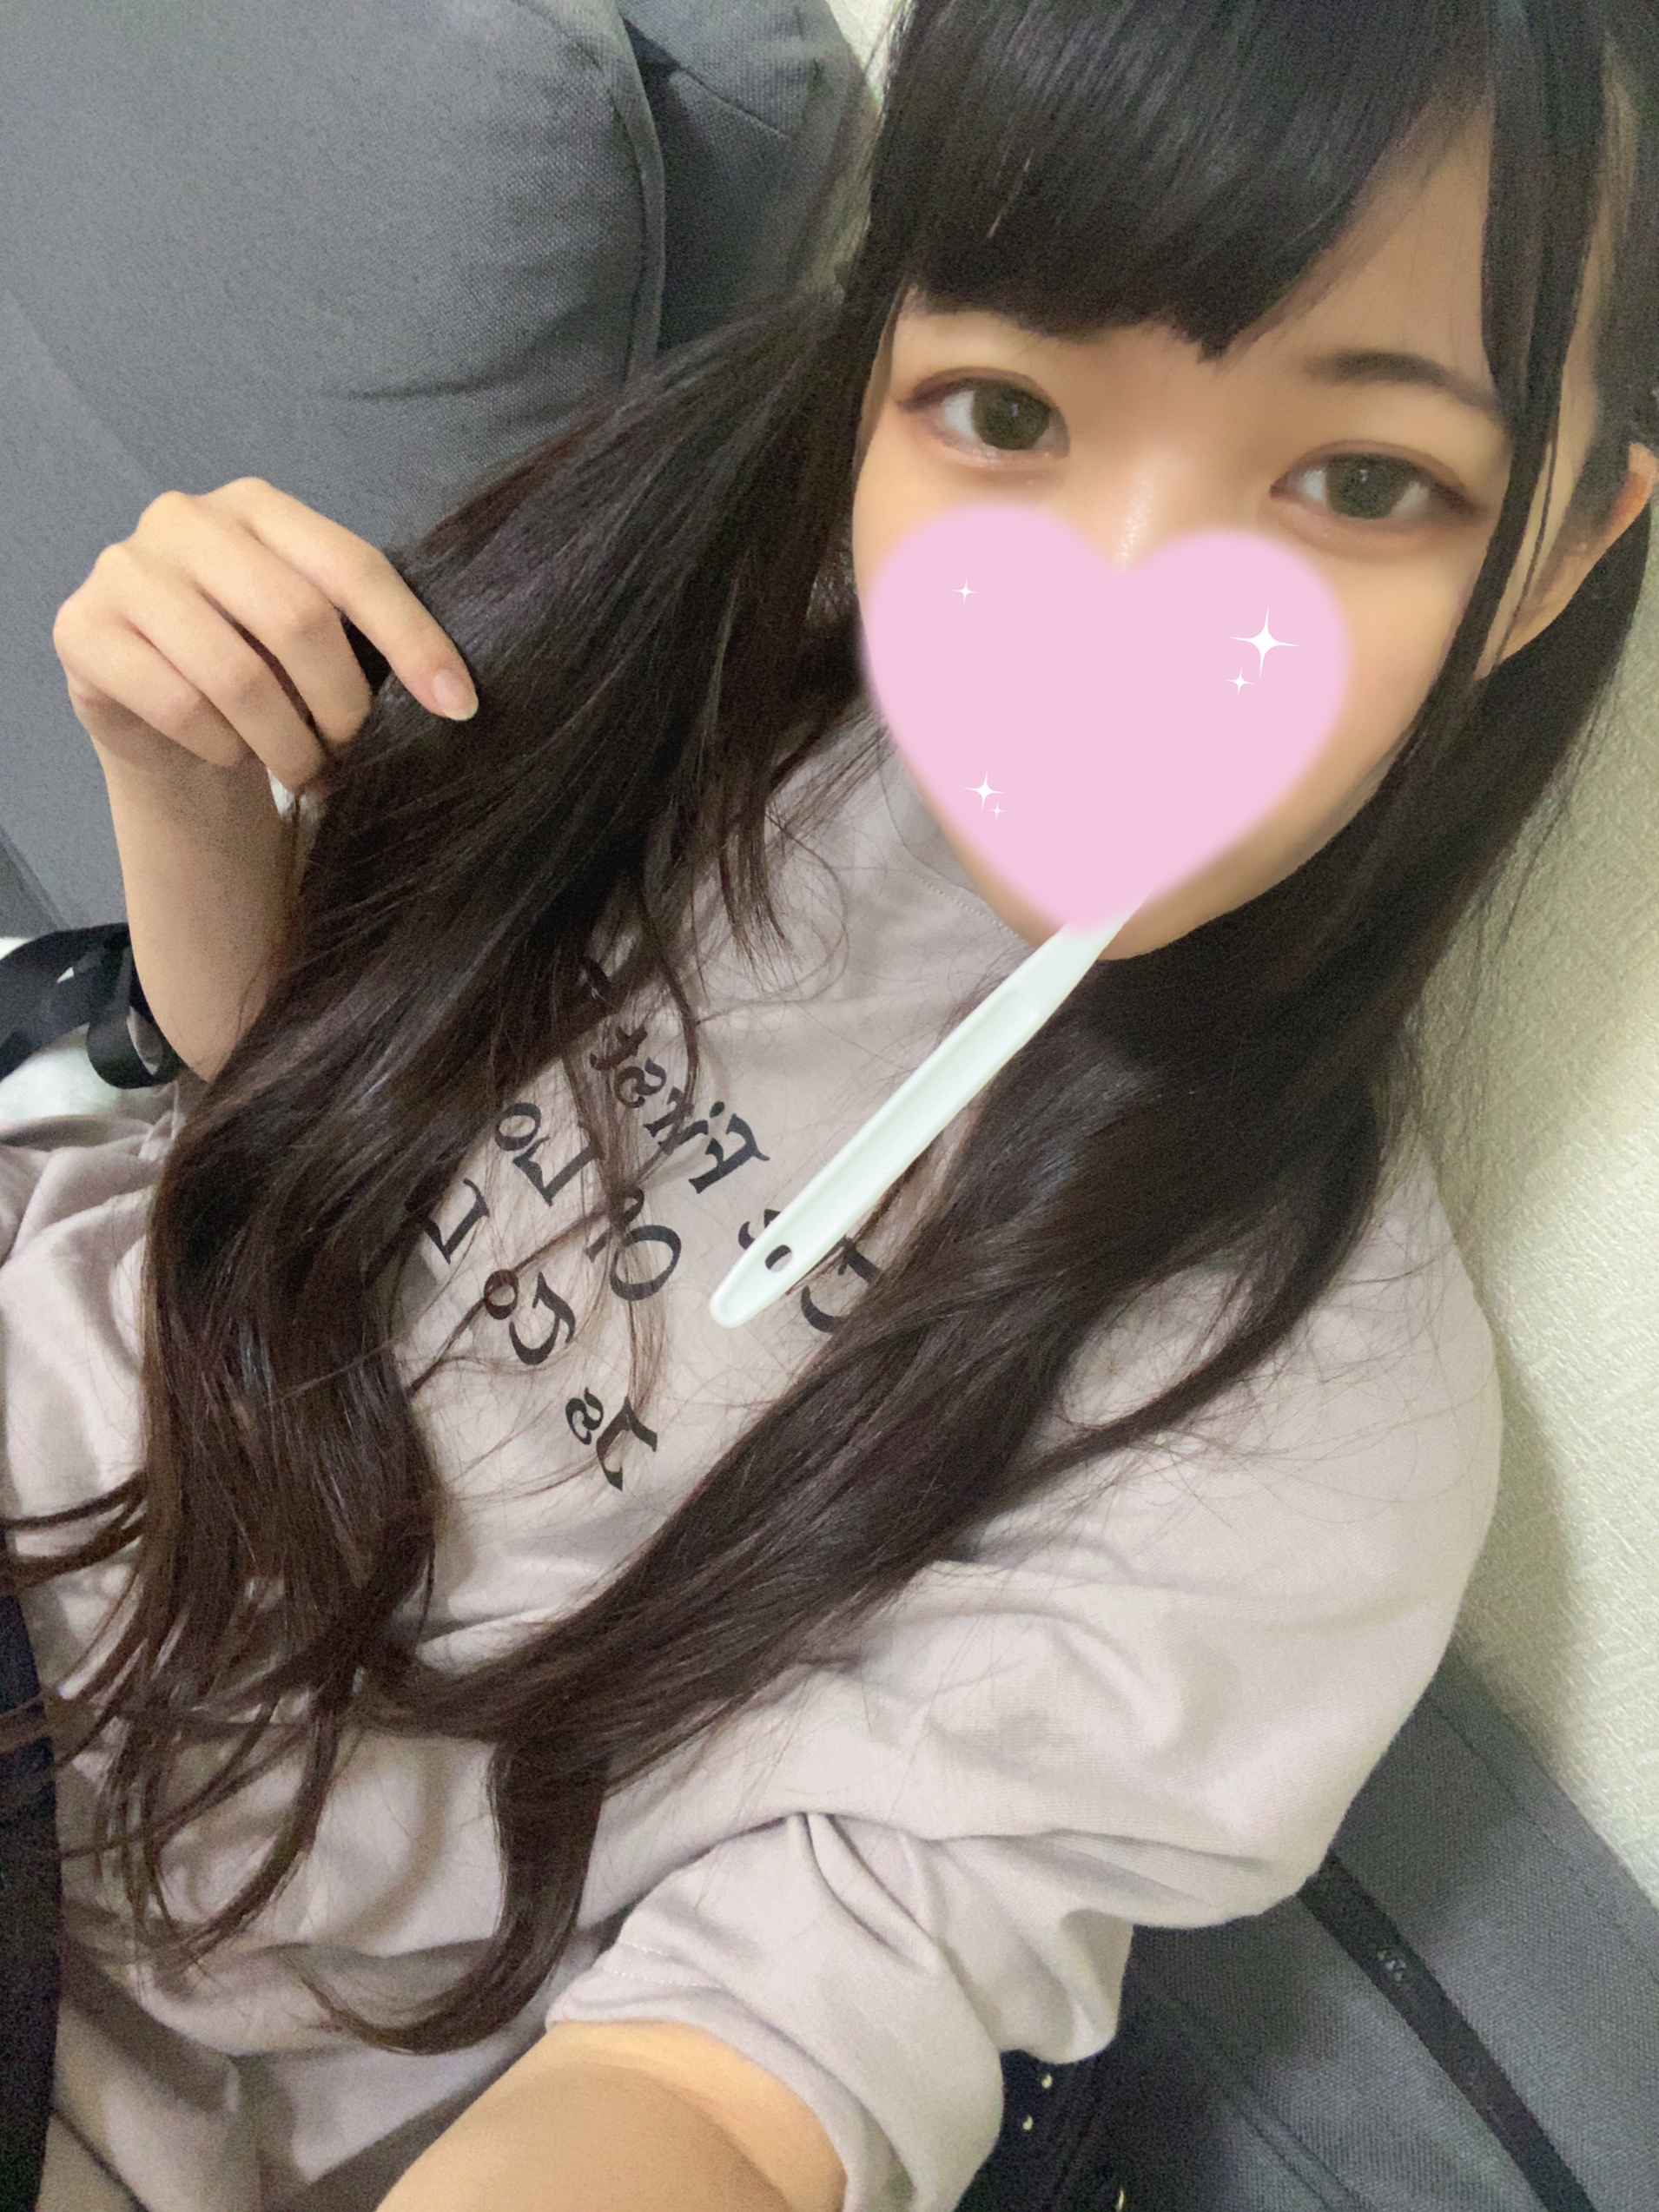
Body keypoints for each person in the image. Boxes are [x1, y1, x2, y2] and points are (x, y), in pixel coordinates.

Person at [7, 0, 1659, 2206]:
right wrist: (183, 787)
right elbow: (294, 1105)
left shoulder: (1306, 1427)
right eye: (1007, 410)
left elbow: (743, 2073)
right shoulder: (703, 637)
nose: (1115, 616)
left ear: (1553, 552)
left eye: (1360, 480)